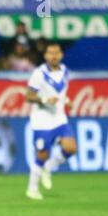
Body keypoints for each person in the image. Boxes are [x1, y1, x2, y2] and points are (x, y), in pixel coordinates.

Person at [25, 42, 77, 200]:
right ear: (45, 56)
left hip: (59, 118)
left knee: (71, 148)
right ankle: (32, 188)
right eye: (50, 53)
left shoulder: (65, 71)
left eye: (56, 53)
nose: (54, 56)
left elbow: (60, 92)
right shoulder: (39, 73)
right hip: (41, 120)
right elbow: (29, 96)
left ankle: (49, 166)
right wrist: (45, 99)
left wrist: (66, 101)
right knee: (42, 154)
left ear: (61, 55)